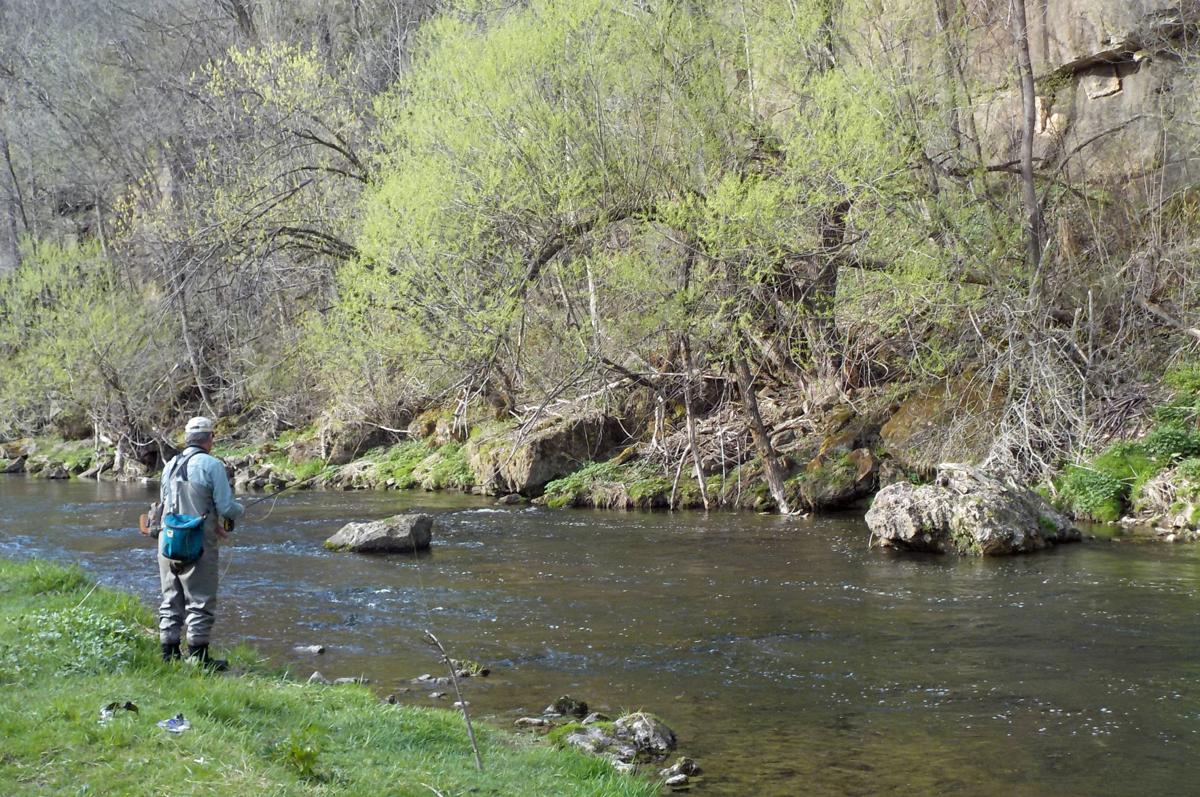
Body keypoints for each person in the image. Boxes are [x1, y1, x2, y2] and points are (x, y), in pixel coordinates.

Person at [157, 416, 244, 669]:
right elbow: (227, 507)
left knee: (171, 598)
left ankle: (169, 656)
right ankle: (198, 658)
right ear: (210, 439)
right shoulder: (212, 465)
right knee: (201, 599)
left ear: (187, 439)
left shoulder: (170, 464)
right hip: (198, 542)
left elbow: (167, 504)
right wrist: (241, 510)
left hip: (167, 540)